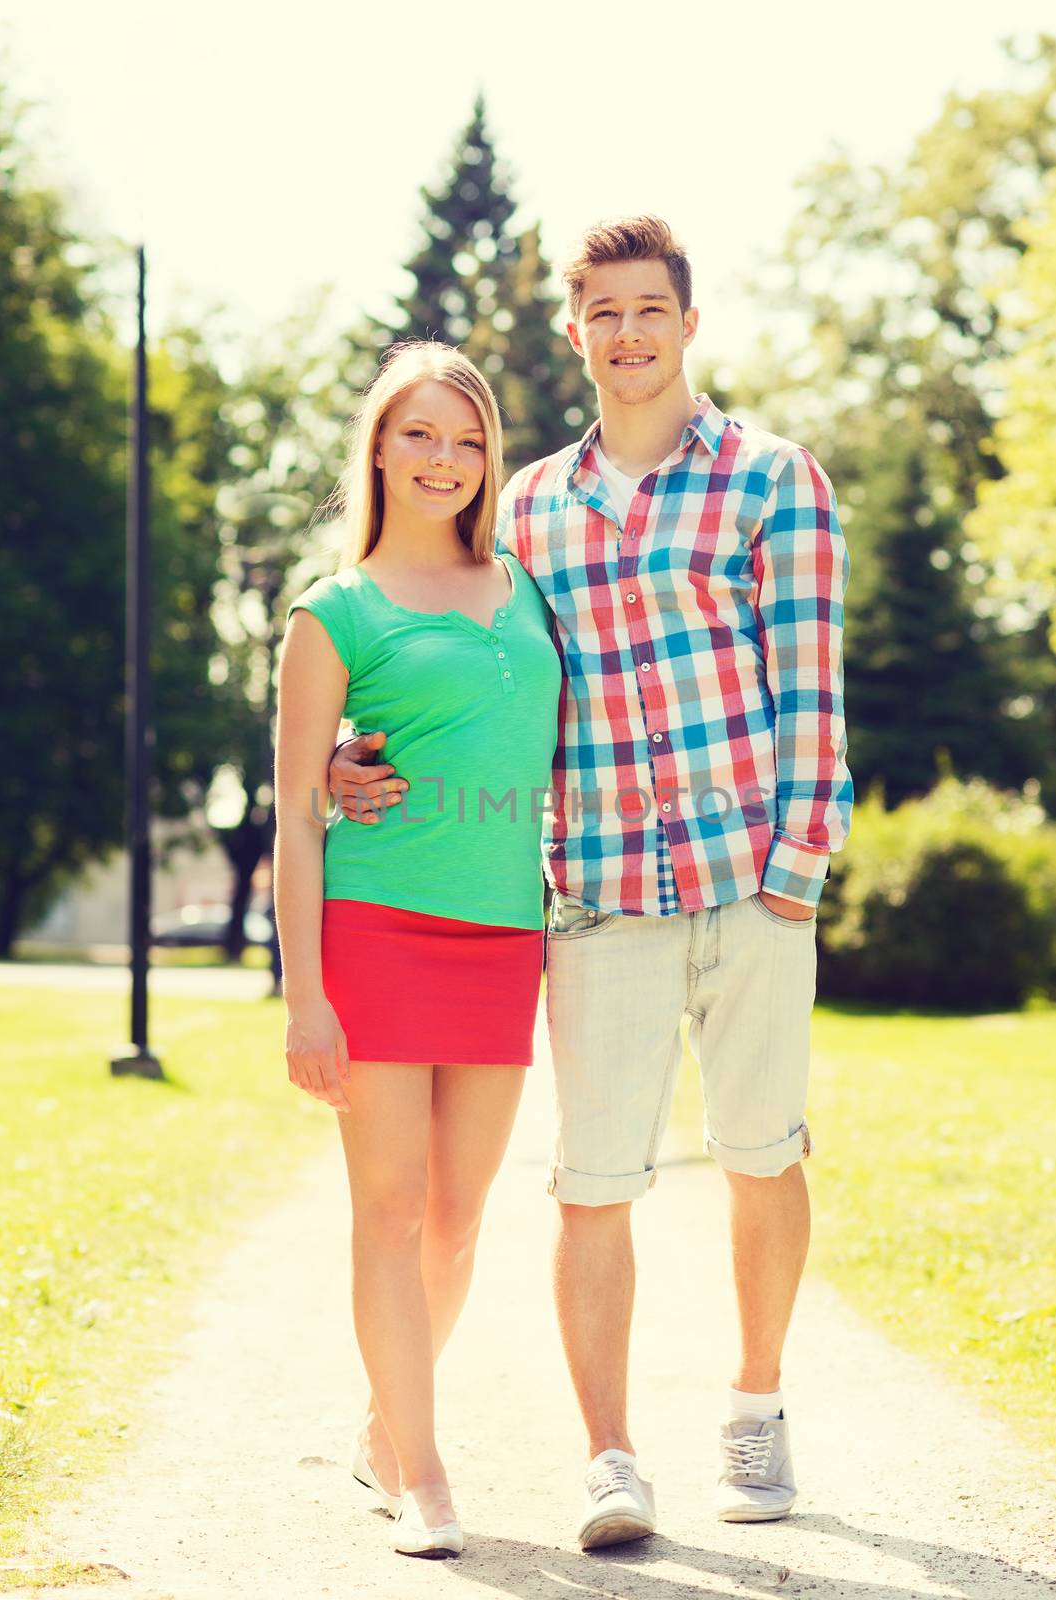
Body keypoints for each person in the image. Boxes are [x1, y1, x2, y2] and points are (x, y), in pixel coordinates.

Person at [331, 216, 853, 1550]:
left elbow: (810, 690)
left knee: (758, 1156)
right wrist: (352, 750)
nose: (625, 333)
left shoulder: (771, 480)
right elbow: (443, 655)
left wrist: (794, 878)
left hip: (749, 882)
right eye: (601, 314)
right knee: (589, 1185)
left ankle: (754, 1406)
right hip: (598, 892)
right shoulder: (526, 510)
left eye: (648, 310)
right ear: (574, 333)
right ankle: (610, 1459)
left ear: (688, 322)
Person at [273, 342, 561, 1559]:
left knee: (457, 1219)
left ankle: (383, 1424)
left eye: (467, 439)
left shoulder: (527, 587)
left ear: (488, 458)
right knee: (387, 1215)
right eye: (420, 434)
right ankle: (424, 1471)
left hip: (504, 934)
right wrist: (306, 1000)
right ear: (379, 449)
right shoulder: (332, 614)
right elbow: (296, 812)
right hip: (379, 932)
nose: (445, 459)